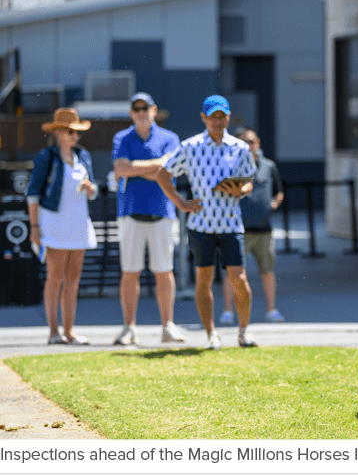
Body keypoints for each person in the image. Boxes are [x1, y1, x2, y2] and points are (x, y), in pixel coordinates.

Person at [149, 95, 257, 350]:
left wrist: (240, 190)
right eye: (213, 116)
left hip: (231, 223)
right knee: (204, 279)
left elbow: (250, 180)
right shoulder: (191, 146)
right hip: (202, 225)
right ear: (203, 118)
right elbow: (163, 174)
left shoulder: (239, 148)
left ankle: (244, 331)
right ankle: (211, 334)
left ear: (228, 117)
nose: (217, 121)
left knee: (239, 278)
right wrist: (180, 203)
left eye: (222, 116)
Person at [111, 92, 186, 346]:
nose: (141, 112)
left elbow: (169, 170)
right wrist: (155, 166)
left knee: (164, 272)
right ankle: (128, 327)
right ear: (131, 112)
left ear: (154, 110)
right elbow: (121, 169)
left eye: (145, 108)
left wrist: (136, 168)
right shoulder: (121, 138)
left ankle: (168, 325)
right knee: (130, 272)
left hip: (163, 212)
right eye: (136, 108)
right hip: (130, 213)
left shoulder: (170, 138)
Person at [25, 108, 98, 345]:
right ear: (57, 132)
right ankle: (54, 332)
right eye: (70, 131)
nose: (74, 137)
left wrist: (91, 189)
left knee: (73, 278)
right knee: (55, 277)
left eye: (77, 132)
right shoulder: (46, 157)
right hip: (54, 224)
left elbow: (94, 188)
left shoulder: (83, 156)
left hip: (78, 223)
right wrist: (34, 227)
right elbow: (33, 194)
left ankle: (69, 331)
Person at [220, 127, 285, 325]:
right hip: (238, 230)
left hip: (263, 229)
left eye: (253, 141)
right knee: (233, 272)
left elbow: (278, 192)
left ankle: (271, 310)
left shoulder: (269, 166)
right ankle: (227, 311)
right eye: (245, 142)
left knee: (267, 271)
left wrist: (272, 205)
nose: (250, 145)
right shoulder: (230, 165)